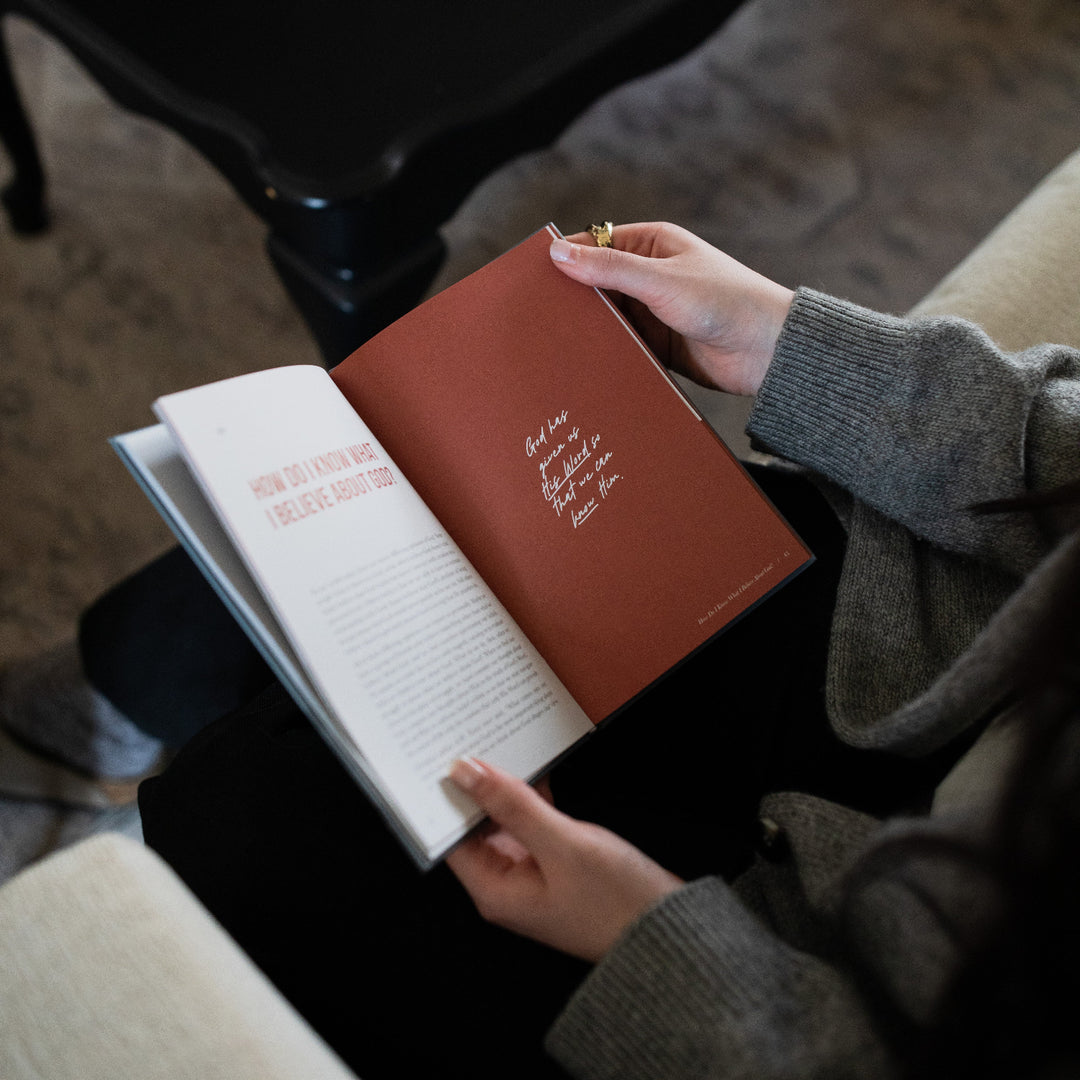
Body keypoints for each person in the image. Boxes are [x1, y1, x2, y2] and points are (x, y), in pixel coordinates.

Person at [14, 220, 1080, 1078]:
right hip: (920, 624)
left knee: (254, 820)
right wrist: (787, 338)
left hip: (782, 978)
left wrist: (650, 944)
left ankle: (90, 840)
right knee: (385, 479)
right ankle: (95, 715)